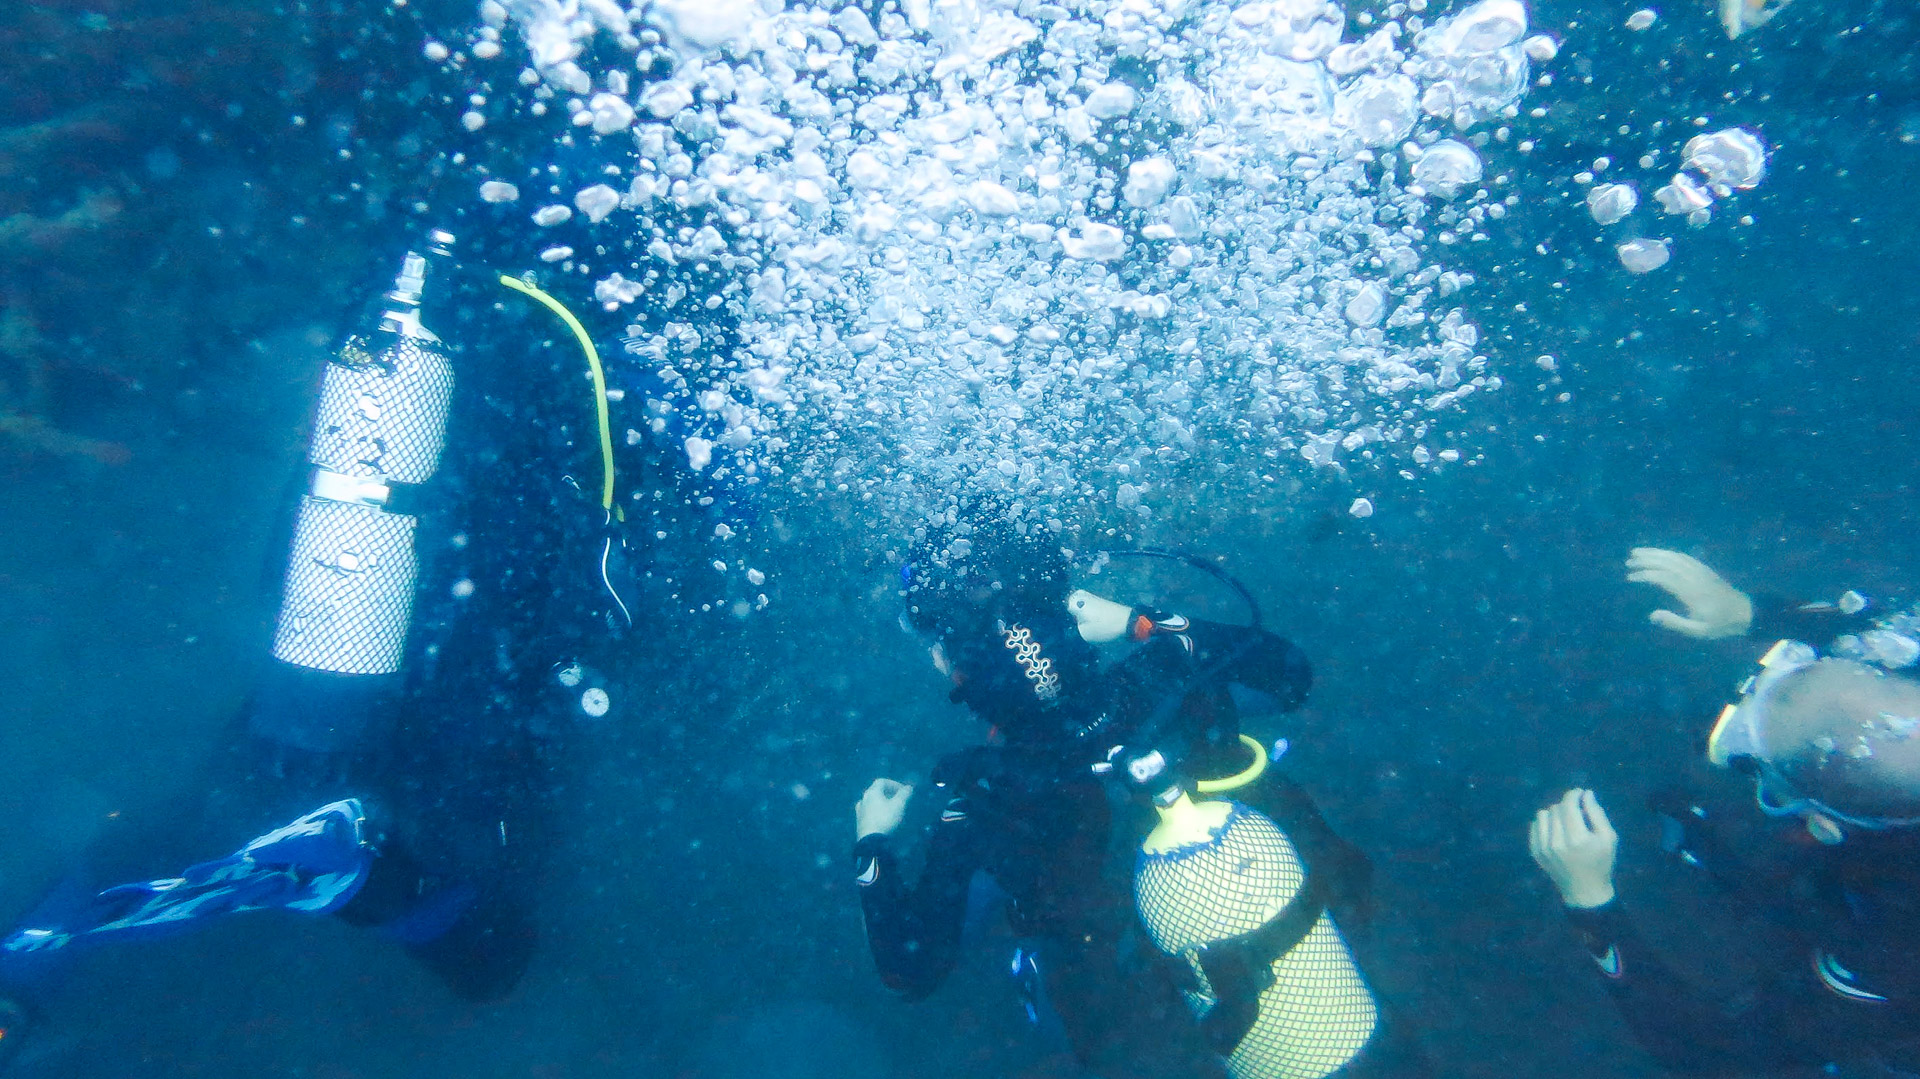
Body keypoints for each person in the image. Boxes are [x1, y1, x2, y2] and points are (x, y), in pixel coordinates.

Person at [0, 237, 643, 1061]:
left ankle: (22, 970)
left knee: (220, 808)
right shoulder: (590, 353)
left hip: (339, 627)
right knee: (492, 954)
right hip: (488, 672)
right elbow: (607, 573)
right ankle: (349, 873)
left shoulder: (426, 308)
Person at [852, 516, 1424, 1079]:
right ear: (1074, 615)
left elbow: (911, 970)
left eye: (941, 646)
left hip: (1162, 1051)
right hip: (1334, 1002)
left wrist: (872, 843)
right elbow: (1292, 677)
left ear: (963, 677)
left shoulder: (984, 798)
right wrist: (1145, 623)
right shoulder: (1170, 677)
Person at [1528, 547, 1920, 1077]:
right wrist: (1750, 612)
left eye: (1759, 773)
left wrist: (1589, 902)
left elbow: (1713, 1053)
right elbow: (1879, 630)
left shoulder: (1895, 947)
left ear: (1827, 825)